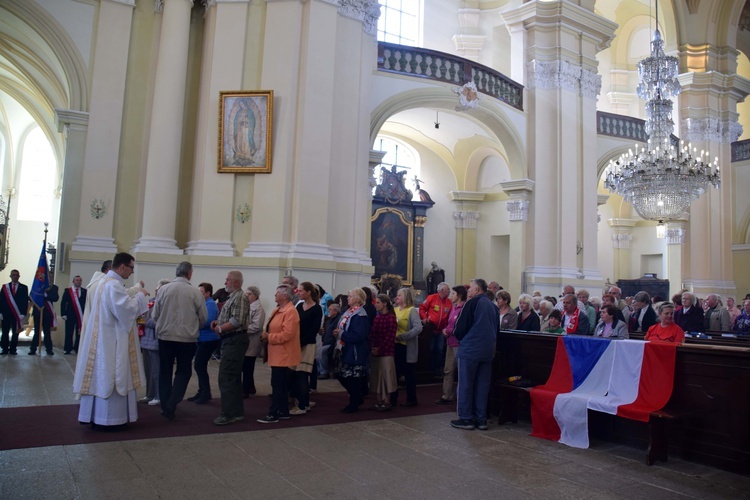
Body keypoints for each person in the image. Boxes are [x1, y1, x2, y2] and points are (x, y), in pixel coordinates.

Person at [73, 252, 149, 428]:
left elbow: (121, 298)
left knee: (101, 376)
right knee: (113, 374)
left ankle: (97, 417)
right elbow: (126, 310)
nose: (131, 272)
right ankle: (110, 419)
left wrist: (135, 290)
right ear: (122, 266)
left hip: (103, 338)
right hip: (111, 342)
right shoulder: (112, 285)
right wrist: (140, 296)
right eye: (131, 268)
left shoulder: (102, 283)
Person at [152, 262, 207, 421]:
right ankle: (172, 403)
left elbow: (155, 315)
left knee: (165, 371)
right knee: (183, 371)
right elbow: (203, 318)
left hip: (165, 337)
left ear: (176, 273)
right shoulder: (195, 292)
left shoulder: (163, 289)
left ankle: (165, 406)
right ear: (189, 274)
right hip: (187, 339)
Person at [450, 278, 498, 431]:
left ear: (477, 290)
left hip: (470, 350)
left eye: (470, 288)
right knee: (482, 385)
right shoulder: (493, 306)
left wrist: (462, 339)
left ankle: (466, 418)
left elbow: (460, 328)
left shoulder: (471, 303)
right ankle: (481, 419)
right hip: (488, 350)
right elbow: (496, 329)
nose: (468, 291)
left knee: (466, 384)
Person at [211, 270, 250, 425]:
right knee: (232, 378)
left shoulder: (240, 297)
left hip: (235, 340)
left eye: (227, 280)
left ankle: (228, 414)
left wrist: (220, 329)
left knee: (226, 377)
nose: (225, 282)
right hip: (231, 340)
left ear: (236, 282)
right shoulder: (232, 297)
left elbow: (237, 320)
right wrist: (218, 323)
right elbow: (229, 317)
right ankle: (236, 412)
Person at [258, 284, 300, 424]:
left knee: (277, 384)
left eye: (277, 293)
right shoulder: (278, 309)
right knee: (279, 384)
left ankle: (273, 413)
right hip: (276, 352)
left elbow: (287, 334)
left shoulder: (291, 312)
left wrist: (269, 337)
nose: (275, 295)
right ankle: (283, 411)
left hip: (283, 353)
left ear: (285, 296)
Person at [333, 288, 370, 413]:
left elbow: (359, 336)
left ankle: (354, 402)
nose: (347, 298)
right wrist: (337, 332)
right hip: (344, 348)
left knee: (352, 378)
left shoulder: (360, 316)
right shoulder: (348, 312)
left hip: (355, 351)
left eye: (350, 296)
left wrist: (341, 334)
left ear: (358, 299)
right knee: (340, 374)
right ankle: (356, 397)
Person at [290, 282, 323, 415]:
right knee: (294, 374)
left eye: (301, 291)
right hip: (296, 343)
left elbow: (314, 329)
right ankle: (301, 400)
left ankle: (303, 406)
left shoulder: (316, 309)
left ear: (309, 292)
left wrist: (300, 342)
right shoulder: (299, 306)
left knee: (302, 374)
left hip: (307, 344)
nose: (298, 293)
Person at [139, 279, 170, 406]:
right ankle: (149, 394)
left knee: (156, 371)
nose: (156, 290)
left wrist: (144, 321)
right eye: (156, 287)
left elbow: (159, 322)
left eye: (159, 288)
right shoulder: (152, 301)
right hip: (146, 340)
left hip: (155, 341)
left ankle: (158, 395)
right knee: (148, 370)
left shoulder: (165, 304)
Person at [188, 282, 220, 404]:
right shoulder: (203, 303)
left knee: (199, 366)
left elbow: (208, 321)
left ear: (208, 293)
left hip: (209, 339)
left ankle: (205, 393)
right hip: (202, 339)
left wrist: (193, 321)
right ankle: (202, 391)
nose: (199, 295)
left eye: (201, 292)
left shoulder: (210, 304)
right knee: (199, 366)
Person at [435, 285, 466, 405]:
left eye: (453, 293)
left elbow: (460, 326)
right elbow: (450, 323)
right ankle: (446, 395)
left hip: (459, 343)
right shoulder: (453, 307)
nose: (451, 295)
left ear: (459, 295)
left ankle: (460, 397)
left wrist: (447, 331)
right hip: (450, 342)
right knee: (448, 370)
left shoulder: (464, 308)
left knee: (460, 371)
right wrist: (445, 329)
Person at [392, 287, 422, 407]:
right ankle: (393, 398)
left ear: (405, 297)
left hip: (406, 347)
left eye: (399, 295)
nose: (397, 297)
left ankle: (411, 398)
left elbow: (418, 328)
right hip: (395, 345)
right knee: (394, 373)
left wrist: (404, 336)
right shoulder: (394, 310)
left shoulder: (411, 311)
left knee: (409, 374)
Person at [369, 294, 398, 411]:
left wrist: (379, 348)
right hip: (376, 351)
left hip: (386, 351)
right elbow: (372, 334)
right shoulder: (377, 317)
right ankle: (379, 400)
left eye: (378, 303)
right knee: (377, 376)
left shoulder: (391, 318)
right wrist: (373, 347)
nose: (376, 305)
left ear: (384, 304)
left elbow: (389, 337)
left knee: (386, 376)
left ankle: (386, 401)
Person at [419, 281, 452, 376]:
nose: (449, 292)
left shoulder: (449, 302)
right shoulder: (431, 298)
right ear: (442, 290)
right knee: (430, 348)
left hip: (441, 331)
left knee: (439, 349)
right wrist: (424, 318)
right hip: (431, 329)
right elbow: (422, 308)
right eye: (448, 290)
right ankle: (428, 368)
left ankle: (436, 368)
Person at [242, 286, 265, 398]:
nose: (247, 296)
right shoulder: (246, 306)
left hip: (252, 341)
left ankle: (245, 390)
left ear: (256, 296)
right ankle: (251, 387)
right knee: (245, 365)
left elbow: (257, 326)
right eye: (246, 294)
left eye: (249, 294)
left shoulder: (259, 308)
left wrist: (242, 330)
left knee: (248, 366)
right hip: (245, 340)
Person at [29, 272, 59, 356]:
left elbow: (55, 298)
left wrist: (46, 296)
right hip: (38, 311)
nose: (50, 278)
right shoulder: (38, 286)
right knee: (37, 332)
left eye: (51, 276)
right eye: (48, 276)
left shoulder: (54, 287)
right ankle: (33, 349)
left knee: (47, 332)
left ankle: (49, 349)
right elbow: (31, 297)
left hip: (47, 313)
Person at [0, 269, 29, 356]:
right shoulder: (5, 287)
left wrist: (23, 313)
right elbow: (1, 300)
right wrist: (0, 312)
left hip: (17, 314)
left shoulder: (24, 287)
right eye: (13, 275)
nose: (15, 276)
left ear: (19, 276)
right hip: (6, 314)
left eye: (17, 275)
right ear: (10, 276)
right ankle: (4, 349)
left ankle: (13, 349)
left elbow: (25, 301)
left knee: (15, 332)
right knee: (5, 332)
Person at [61, 275, 87, 355]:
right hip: (70, 315)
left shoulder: (84, 291)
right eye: (76, 280)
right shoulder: (68, 291)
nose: (78, 281)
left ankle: (77, 348)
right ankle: (67, 348)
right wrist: (63, 314)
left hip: (80, 316)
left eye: (80, 280)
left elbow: (86, 303)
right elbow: (63, 303)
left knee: (79, 332)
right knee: (69, 332)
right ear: (73, 281)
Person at [317, 302, 340, 380]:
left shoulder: (337, 320)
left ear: (336, 311)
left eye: (330, 310)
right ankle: (318, 370)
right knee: (317, 349)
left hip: (333, 343)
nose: (328, 311)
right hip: (326, 341)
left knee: (323, 351)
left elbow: (334, 335)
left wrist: (325, 342)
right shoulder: (329, 321)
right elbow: (326, 333)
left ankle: (324, 372)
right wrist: (322, 340)